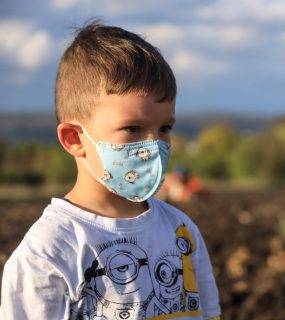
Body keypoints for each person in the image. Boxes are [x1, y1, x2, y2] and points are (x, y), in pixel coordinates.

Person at [0, 21, 221, 320]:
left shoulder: (181, 232)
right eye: (133, 128)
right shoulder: (48, 253)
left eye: (165, 128)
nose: (153, 145)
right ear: (75, 139)